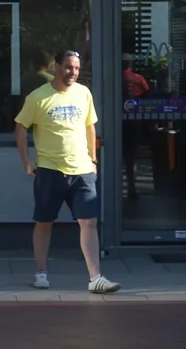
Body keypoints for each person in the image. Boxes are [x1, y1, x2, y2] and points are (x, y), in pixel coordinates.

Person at [15, 50, 119, 294]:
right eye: (68, 67)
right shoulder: (38, 97)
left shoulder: (84, 93)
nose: (73, 72)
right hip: (50, 170)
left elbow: (89, 126)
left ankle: (96, 278)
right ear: (57, 66)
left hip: (82, 171)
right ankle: (41, 272)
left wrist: (93, 160)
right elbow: (20, 127)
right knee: (44, 222)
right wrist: (27, 162)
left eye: (77, 68)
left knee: (89, 222)